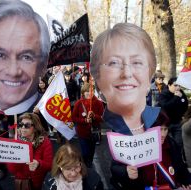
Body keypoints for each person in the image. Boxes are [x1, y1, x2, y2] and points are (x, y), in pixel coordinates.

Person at [90, 23, 160, 189]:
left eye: (137, 62)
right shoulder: (115, 127)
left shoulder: (161, 122)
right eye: (114, 63)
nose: (127, 73)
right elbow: (115, 168)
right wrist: (126, 173)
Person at [0, 0, 50, 115]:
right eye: (0, 55)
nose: (13, 71)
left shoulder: (51, 111)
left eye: (26, 57)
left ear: (44, 65)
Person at [7, 113, 53, 190]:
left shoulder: (45, 142)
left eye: (27, 125)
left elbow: (50, 165)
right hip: (24, 183)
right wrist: (19, 153)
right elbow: (12, 169)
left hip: (40, 182)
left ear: (35, 128)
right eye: (21, 125)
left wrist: (39, 164)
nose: (23, 128)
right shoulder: (15, 143)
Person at [72, 83, 104, 167]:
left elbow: (102, 118)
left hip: (94, 133)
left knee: (91, 152)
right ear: (83, 92)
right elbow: (74, 118)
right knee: (85, 152)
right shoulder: (78, 103)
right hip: (82, 133)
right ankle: (84, 166)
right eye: (87, 91)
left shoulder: (99, 103)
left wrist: (94, 116)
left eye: (91, 91)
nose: (89, 93)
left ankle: (89, 165)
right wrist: (85, 120)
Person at [158, 77, 188, 148]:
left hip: (177, 122)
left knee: (179, 143)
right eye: (175, 85)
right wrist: (176, 97)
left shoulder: (181, 93)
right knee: (168, 144)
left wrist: (182, 99)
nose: (178, 88)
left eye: (179, 86)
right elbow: (166, 107)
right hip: (167, 124)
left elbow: (185, 105)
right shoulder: (163, 94)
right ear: (169, 85)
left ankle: (178, 158)